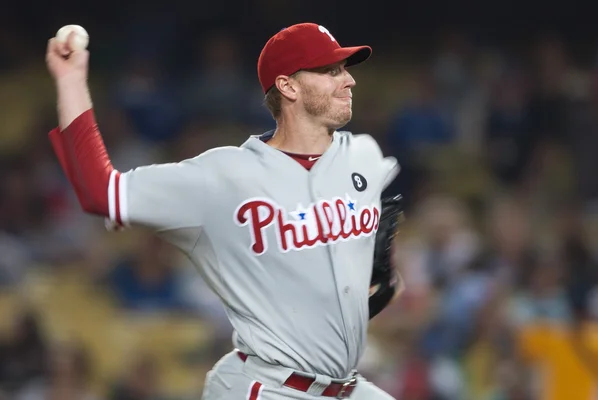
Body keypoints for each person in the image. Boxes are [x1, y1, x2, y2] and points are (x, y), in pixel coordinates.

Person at [45, 22, 399, 399]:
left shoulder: (362, 156)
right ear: (288, 86)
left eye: (344, 69)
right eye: (331, 71)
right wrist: (70, 80)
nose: (349, 81)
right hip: (270, 388)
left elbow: (375, 245)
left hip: (349, 388)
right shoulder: (222, 178)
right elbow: (100, 191)